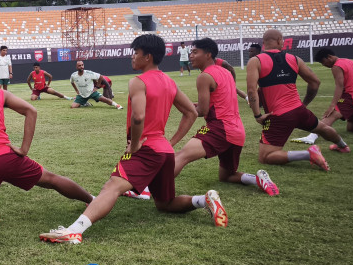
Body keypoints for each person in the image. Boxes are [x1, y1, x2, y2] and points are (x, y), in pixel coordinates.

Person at [38, 35, 228, 245]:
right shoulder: (169, 82)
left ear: (147, 56)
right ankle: (203, 200)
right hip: (164, 151)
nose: (132, 56)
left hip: (146, 149)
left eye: (136, 53)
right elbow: (191, 113)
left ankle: (74, 231)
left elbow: (138, 117)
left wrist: (136, 144)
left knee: (111, 187)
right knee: (165, 203)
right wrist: (170, 143)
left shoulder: (138, 81)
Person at [0, 53, 93, 255]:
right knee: (52, 179)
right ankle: (92, 199)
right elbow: (31, 111)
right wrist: (24, 149)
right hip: (8, 157)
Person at [173, 38, 279, 196]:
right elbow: (217, 101)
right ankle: (257, 179)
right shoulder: (225, 72)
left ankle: (147, 188)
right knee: (227, 175)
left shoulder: (204, 77)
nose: (191, 55)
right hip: (237, 131)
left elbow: (201, 111)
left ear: (208, 54)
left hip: (220, 129)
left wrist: (179, 103)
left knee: (181, 156)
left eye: (195, 52)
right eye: (191, 52)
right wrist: (193, 105)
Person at [246, 29, 349, 172]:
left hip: (279, 116)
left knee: (265, 157)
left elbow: (252, 90)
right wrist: (304, 104)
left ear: (263, 43)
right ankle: (343, 146)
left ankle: (308, 154)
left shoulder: (255, 61)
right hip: (299, 110)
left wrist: (257, 115)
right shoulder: (294, 59)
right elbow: (315, 82)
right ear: (279, 40)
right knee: (323, 128)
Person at [292, 47, 353, 145]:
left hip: (351, 98)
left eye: (323, 62)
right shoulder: (350, 61)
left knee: (331, 115)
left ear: (329, 57)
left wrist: (332, 105)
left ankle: (311, 137)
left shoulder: (336, 66)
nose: (324, 65)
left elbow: (339, 86)